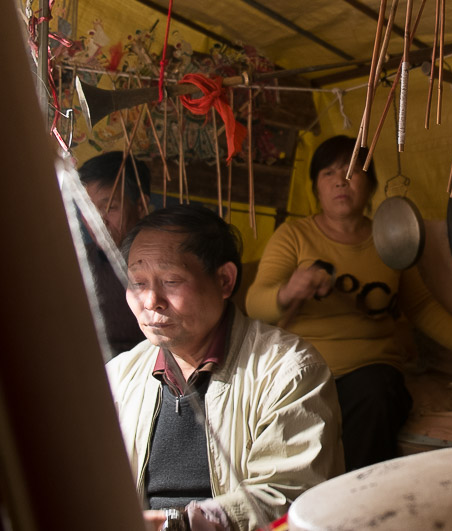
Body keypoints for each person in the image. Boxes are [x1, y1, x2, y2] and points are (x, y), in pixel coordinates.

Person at [246, 135, 452, 471]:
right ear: (316, 187)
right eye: (328, 173)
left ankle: (359, 502)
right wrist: (287, 292)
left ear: (371, 183)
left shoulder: (391, 240)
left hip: (372, 371)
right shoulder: (294, 236)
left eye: (353, 171)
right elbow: (254, 304)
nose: (340, 181)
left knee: (377, 392)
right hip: (307, 368)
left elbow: (419, 306)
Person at [107, 205, 342, 531]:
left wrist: (179, 525)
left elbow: (290, 493)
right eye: (137, 283)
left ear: (224, 280)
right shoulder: (119, 377)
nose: (151, 301)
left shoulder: (289, 371)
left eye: (171, 280)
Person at [79, 151, 150, 355]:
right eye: (88, 210)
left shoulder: (162, 269)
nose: (97, 222)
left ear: (140, 205)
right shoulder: (78, 261)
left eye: (109, 207)